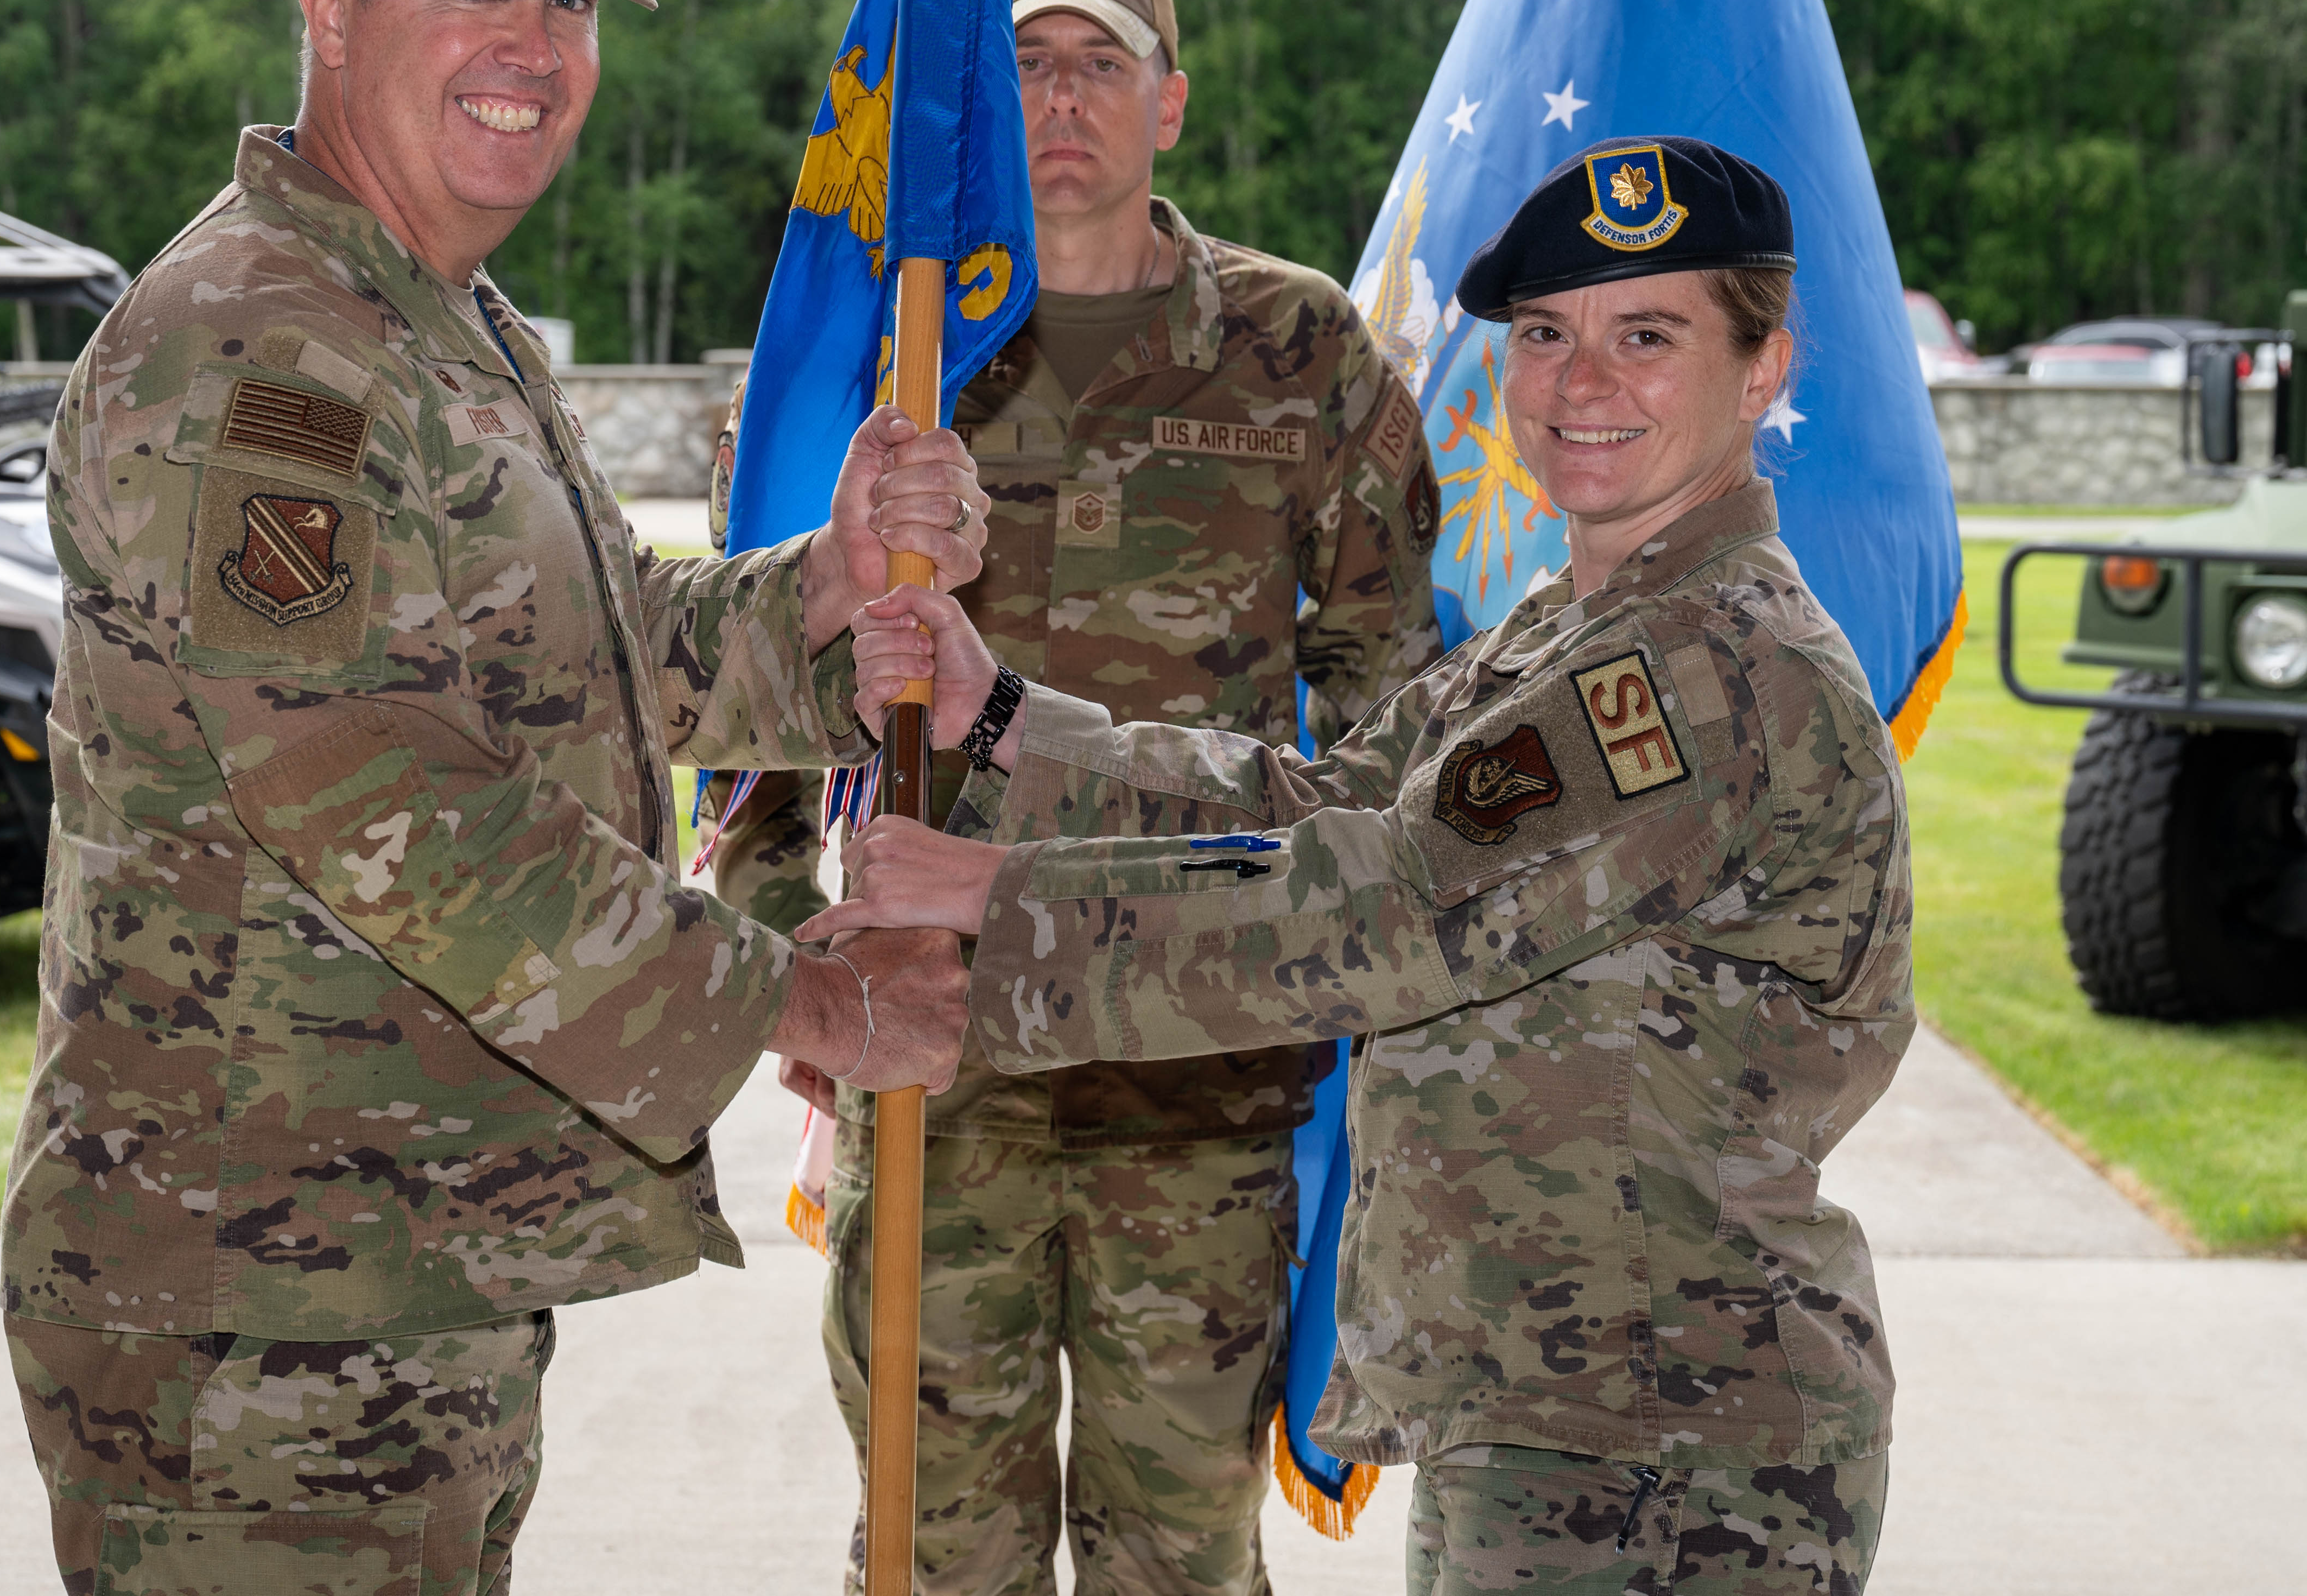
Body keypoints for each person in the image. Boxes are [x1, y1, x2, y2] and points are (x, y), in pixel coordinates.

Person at [1, 0, 982, 1596]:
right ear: (331, 5)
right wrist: (798, 998)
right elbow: (381, 799)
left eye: (574, 1)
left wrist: (829, 598)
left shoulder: (447, 328)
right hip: (250, 1315)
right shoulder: (258, 350)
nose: (534, 47)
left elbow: (593, 661)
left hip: (392, 1271)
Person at [813, 137, 1913, 1594]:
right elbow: (1313, 799)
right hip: (1556, 1412)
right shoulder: (1568, 630)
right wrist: (1003, 720)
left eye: (1648, 336)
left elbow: (1385, 909)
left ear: (1763, 367)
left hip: (1667, 1453)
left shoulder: (1703, 668)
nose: (1581, 384)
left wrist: (992, 912)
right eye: (1543, 334)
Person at [721, 0, 1442, 1594]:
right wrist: (781, 959)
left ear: (1170, 102)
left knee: (1178, 1560)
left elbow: (1394, 712)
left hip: (1192, 1071)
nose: (1062, 99)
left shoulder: (1302, 351)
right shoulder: (897, 344)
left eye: (1100, 63)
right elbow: (760, 701)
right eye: (1026, 64)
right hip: (936, 1069)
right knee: (928, 1553)